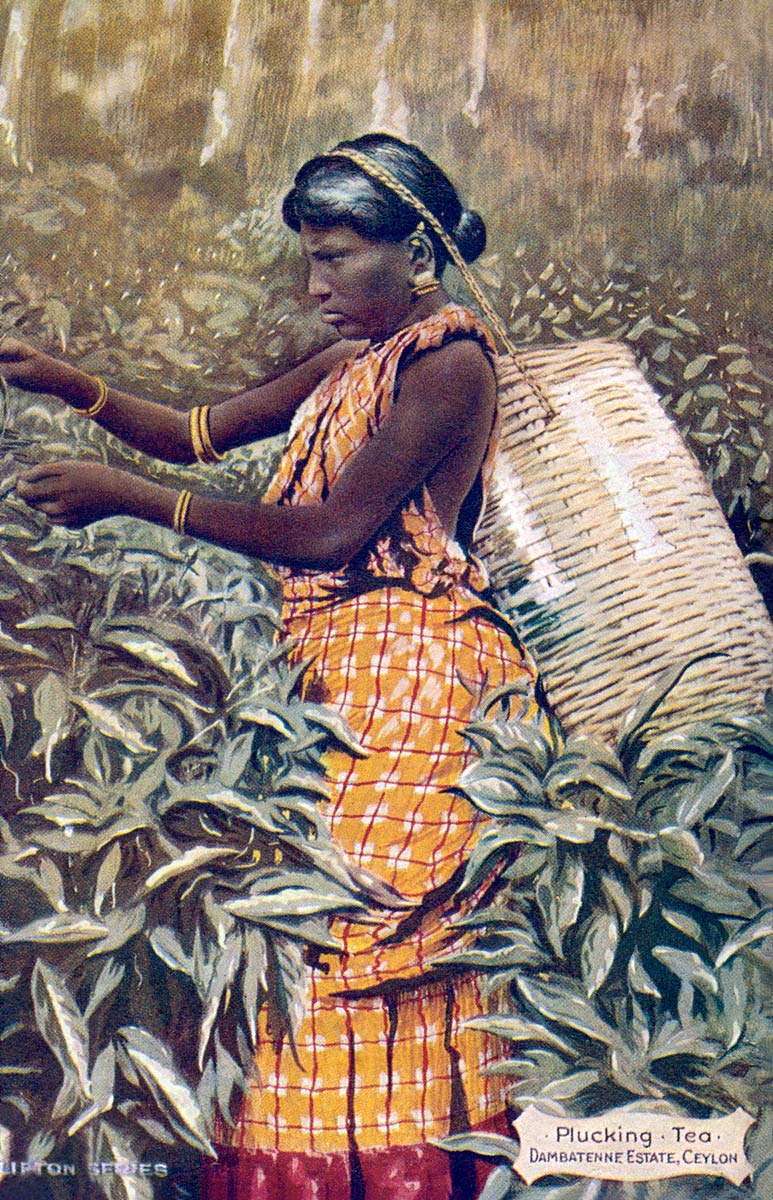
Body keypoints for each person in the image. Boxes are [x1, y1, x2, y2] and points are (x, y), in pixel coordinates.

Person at [1, 133, 544, 1199]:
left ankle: (402, 1174)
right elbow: (197, 433)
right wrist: (78, 388)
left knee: (355, 950)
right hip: (336, 688)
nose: (316, 283)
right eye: (310, 257)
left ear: (417, 253)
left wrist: (128, 497)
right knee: (301, 946)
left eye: (337, 256)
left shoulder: (448, 362)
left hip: (416, 685)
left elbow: (330, 535)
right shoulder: (350, 364)